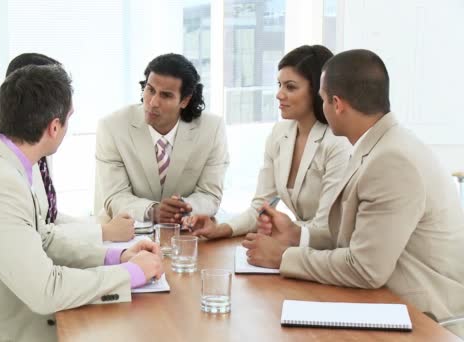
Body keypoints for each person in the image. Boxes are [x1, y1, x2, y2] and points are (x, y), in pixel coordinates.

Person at [0, 64, 164, 342]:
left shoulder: (1, 162)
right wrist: (131, 273)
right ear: (54, 127)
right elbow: (46, 291)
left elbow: (42, 240)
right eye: (69, 119)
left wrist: (115, 257)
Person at [247, 49, 464, 337]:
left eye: (322, 100)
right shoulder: (379, 144)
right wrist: (296, 236)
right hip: (387, 303)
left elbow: (364, 268)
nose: (321, 107)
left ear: (336, 104)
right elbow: (359, 235)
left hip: (424, 319)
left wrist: (283, 256)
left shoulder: (391, 159)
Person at [184, 45, 350, 239]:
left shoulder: (338, 143)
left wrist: (285, 231)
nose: (279, 94)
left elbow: (326, 228)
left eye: (290, 87)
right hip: (299, 246)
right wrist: (219, 229)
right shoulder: (280, 133)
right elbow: (260, 208)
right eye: (279, 85)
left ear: (317, 91)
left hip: (330, 254)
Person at [0, 53, 133, 243]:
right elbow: (40, 234)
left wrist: (100, 227)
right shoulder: (6, 167)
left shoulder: (38, 140)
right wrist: (104, 232)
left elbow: (50, 216)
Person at [95, 53, 229, 224]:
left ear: (185, 101)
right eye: (150, 90)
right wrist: (153, 211)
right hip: (126, 230)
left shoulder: (212, 128)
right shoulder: (112, 127)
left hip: (184, 231)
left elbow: (210, 194)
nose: (153, 102)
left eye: (166, 95)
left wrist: (182, 209)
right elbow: (115, 196)